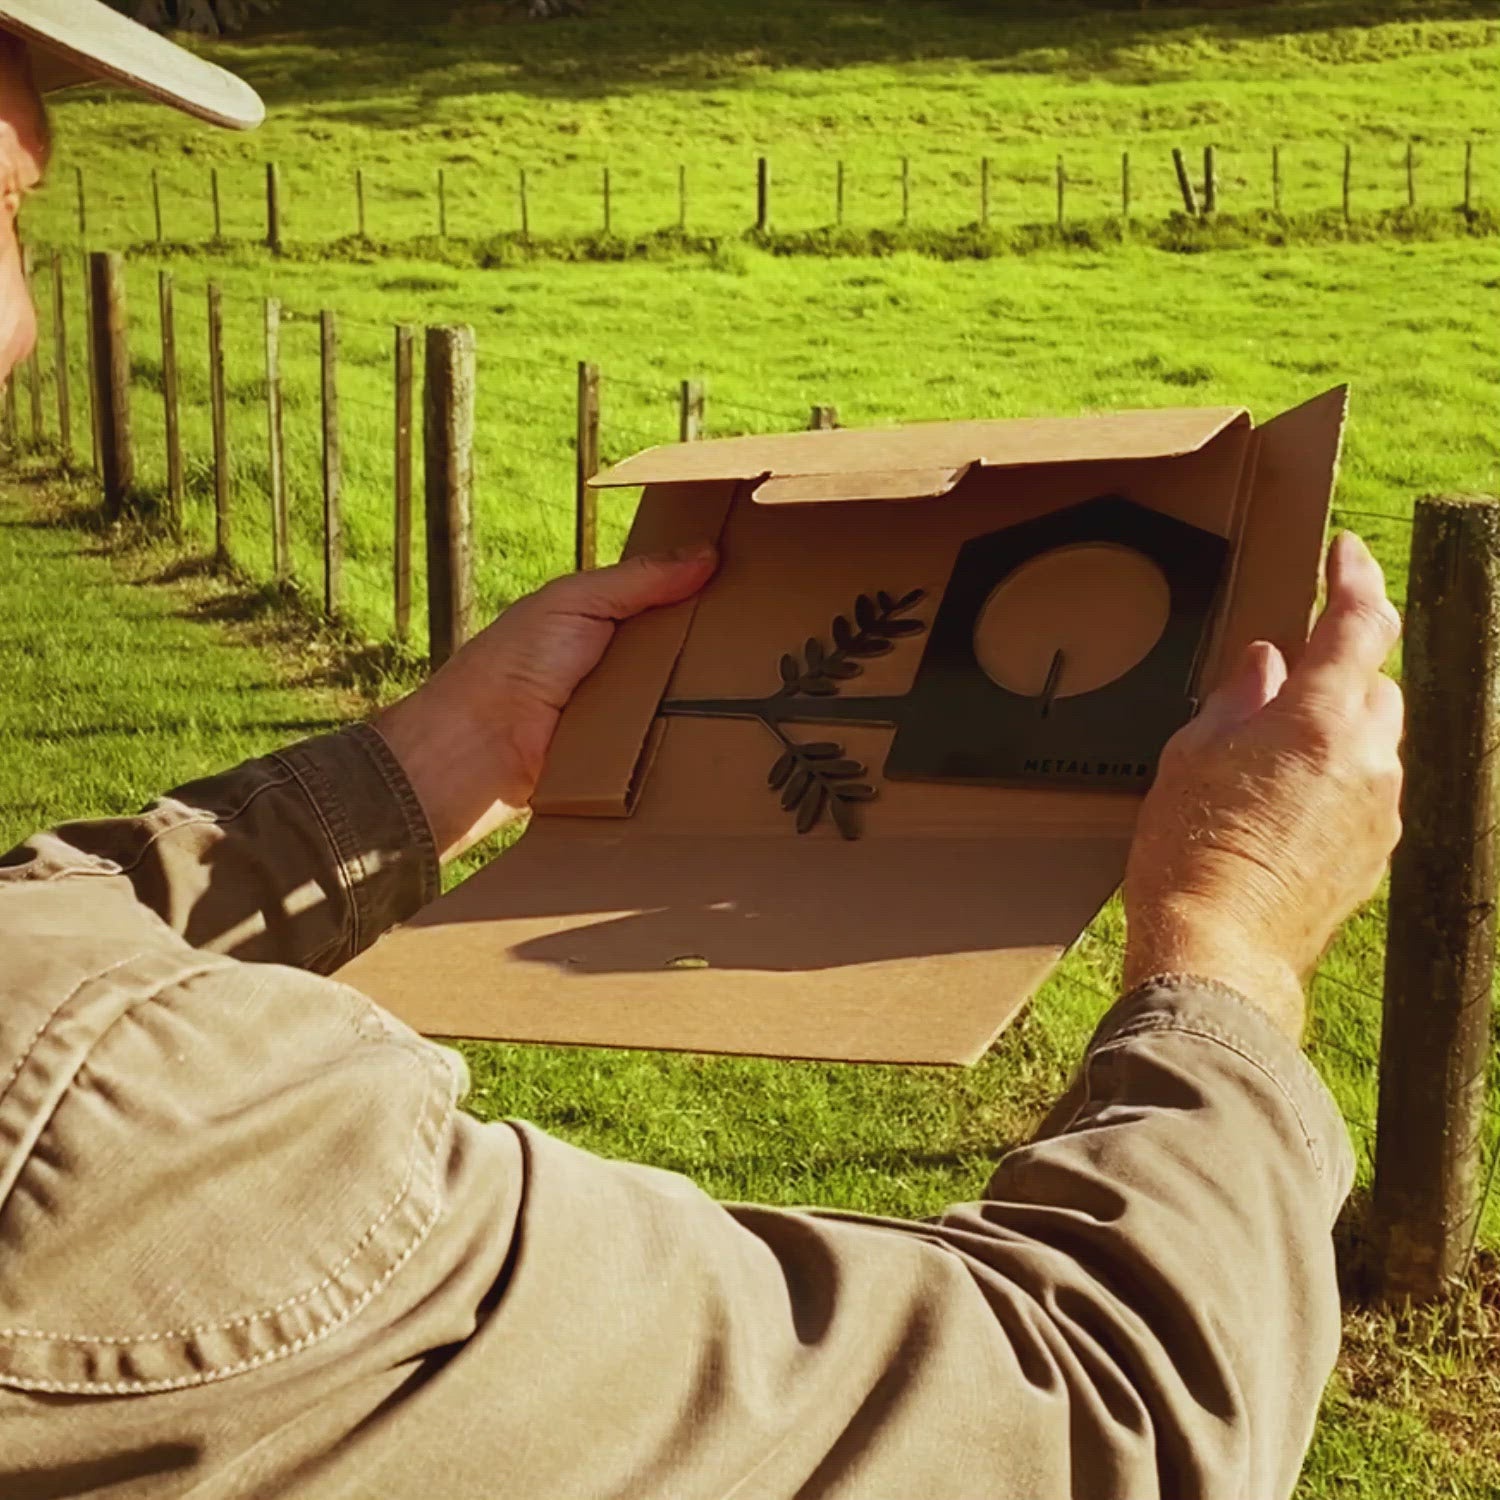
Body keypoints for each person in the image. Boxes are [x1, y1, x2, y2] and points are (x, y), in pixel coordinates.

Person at [0, 7, 1405, 1498]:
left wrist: (422, 767)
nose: (21, 324)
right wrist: (1234, 943)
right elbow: (1095, 1423)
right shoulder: (131, 1160)